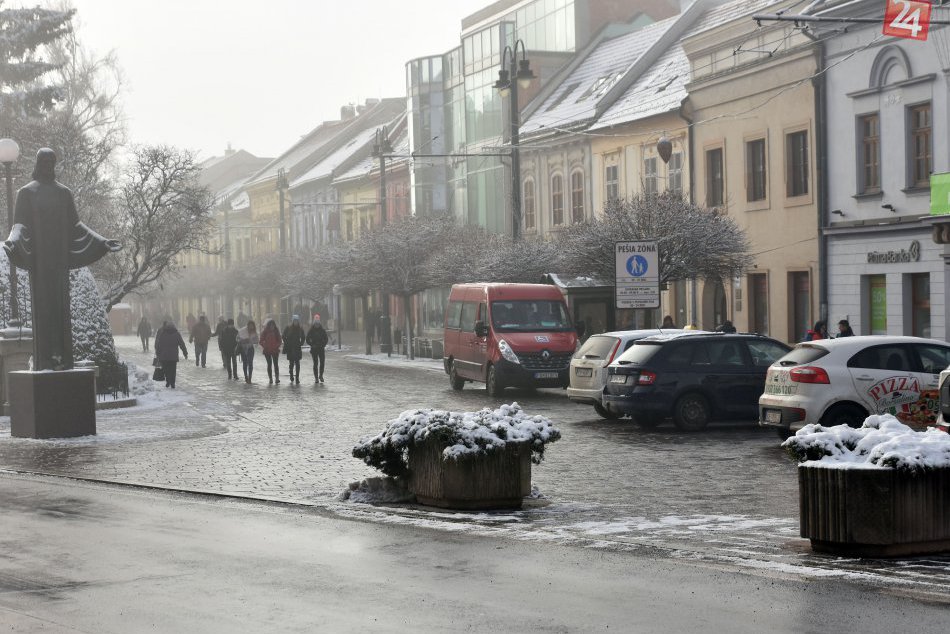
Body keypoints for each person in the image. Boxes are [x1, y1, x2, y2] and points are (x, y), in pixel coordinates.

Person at [154, 321, 188, 389]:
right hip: (173, 356)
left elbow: (159, 344)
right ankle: (172, 383)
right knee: (173, 370)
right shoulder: (177, 334)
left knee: (166, 369)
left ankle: (168, 381)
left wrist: (158, 353)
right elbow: (182, 344)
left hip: (164, 356)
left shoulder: (163, 334)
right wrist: (185, 353)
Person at [283, 315, 306, 384]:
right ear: (292, 321)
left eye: (297, 321)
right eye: (294, 321)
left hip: (297, 348)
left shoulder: (300, 329)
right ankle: (291, 375)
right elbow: (283, 336)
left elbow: (303, 337)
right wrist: (286, 342)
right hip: (290, 348)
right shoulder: (288, 328)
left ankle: (297, 378)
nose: (296, 322)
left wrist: (301, 343)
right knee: (291, 363)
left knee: (297, 363)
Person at [260, 318, 283, 384]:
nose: (272, 326)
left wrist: (276, 345)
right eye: (270, 325)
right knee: (269, 364)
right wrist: (265, 346)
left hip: (275, 350)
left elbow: (280, 340)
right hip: (267, 351)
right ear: (268, 325)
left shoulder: (276, 331)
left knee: (276, 364)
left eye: (273, 325)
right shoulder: (265, 331)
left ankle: (277, 378)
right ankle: (270, 379)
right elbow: (261, 341)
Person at [306, 317, 329, 383]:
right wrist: (312, 344)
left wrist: (323, 344)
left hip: (321, 349)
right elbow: (307, 339)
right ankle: (316, 378)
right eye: (316, 324)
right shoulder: (311, 330)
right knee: (315, 363)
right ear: (314, 324)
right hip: (314, 349)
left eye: (318, 324)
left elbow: (326, 339)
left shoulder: (322, 330)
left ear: (319, 324)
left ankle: (321, 375)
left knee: (322, 363)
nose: (317, 325)